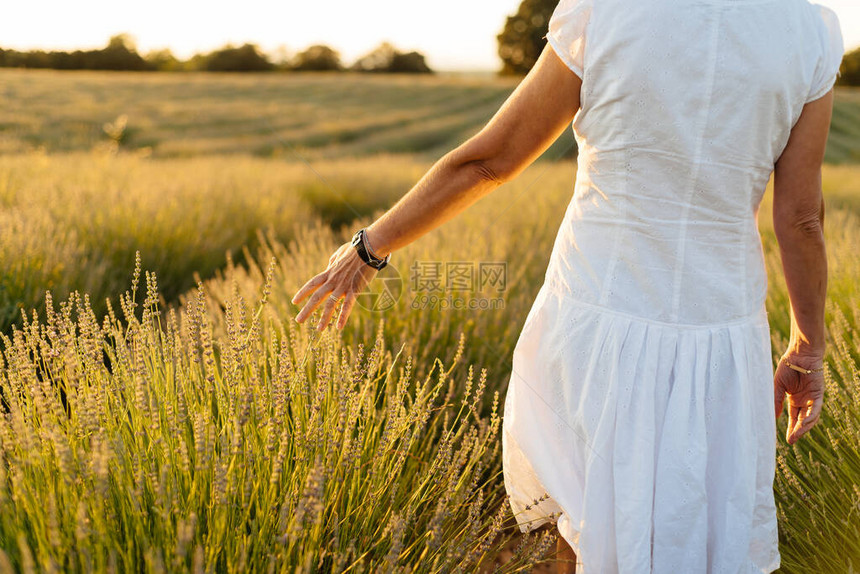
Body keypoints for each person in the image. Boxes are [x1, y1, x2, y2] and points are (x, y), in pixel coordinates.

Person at [292, 0, 844, 571]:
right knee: (701, 534)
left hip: (598, 320)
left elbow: (490, 160)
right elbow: (801, 218)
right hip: (722, 340)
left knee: (586, 529)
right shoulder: (810, 31)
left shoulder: (604, 11)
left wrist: (369, 248)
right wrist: (809, 347)